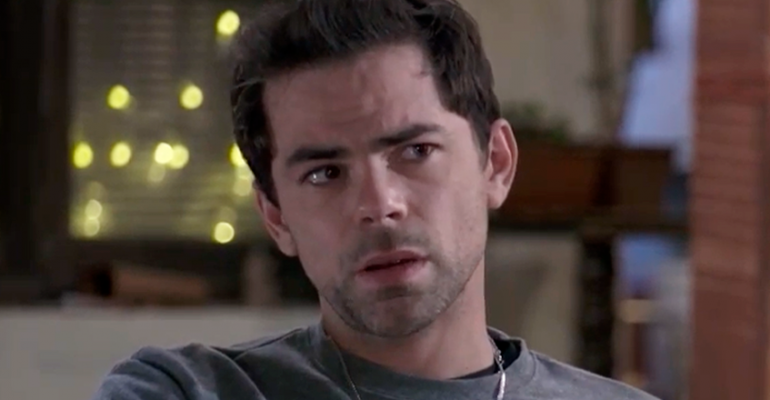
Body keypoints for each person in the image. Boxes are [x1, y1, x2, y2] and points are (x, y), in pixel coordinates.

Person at [91, 0, 657, 399]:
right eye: (325, 173)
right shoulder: (187, 392)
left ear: (497, 164)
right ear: (276, 216)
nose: (379, 204)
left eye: (415, 152)